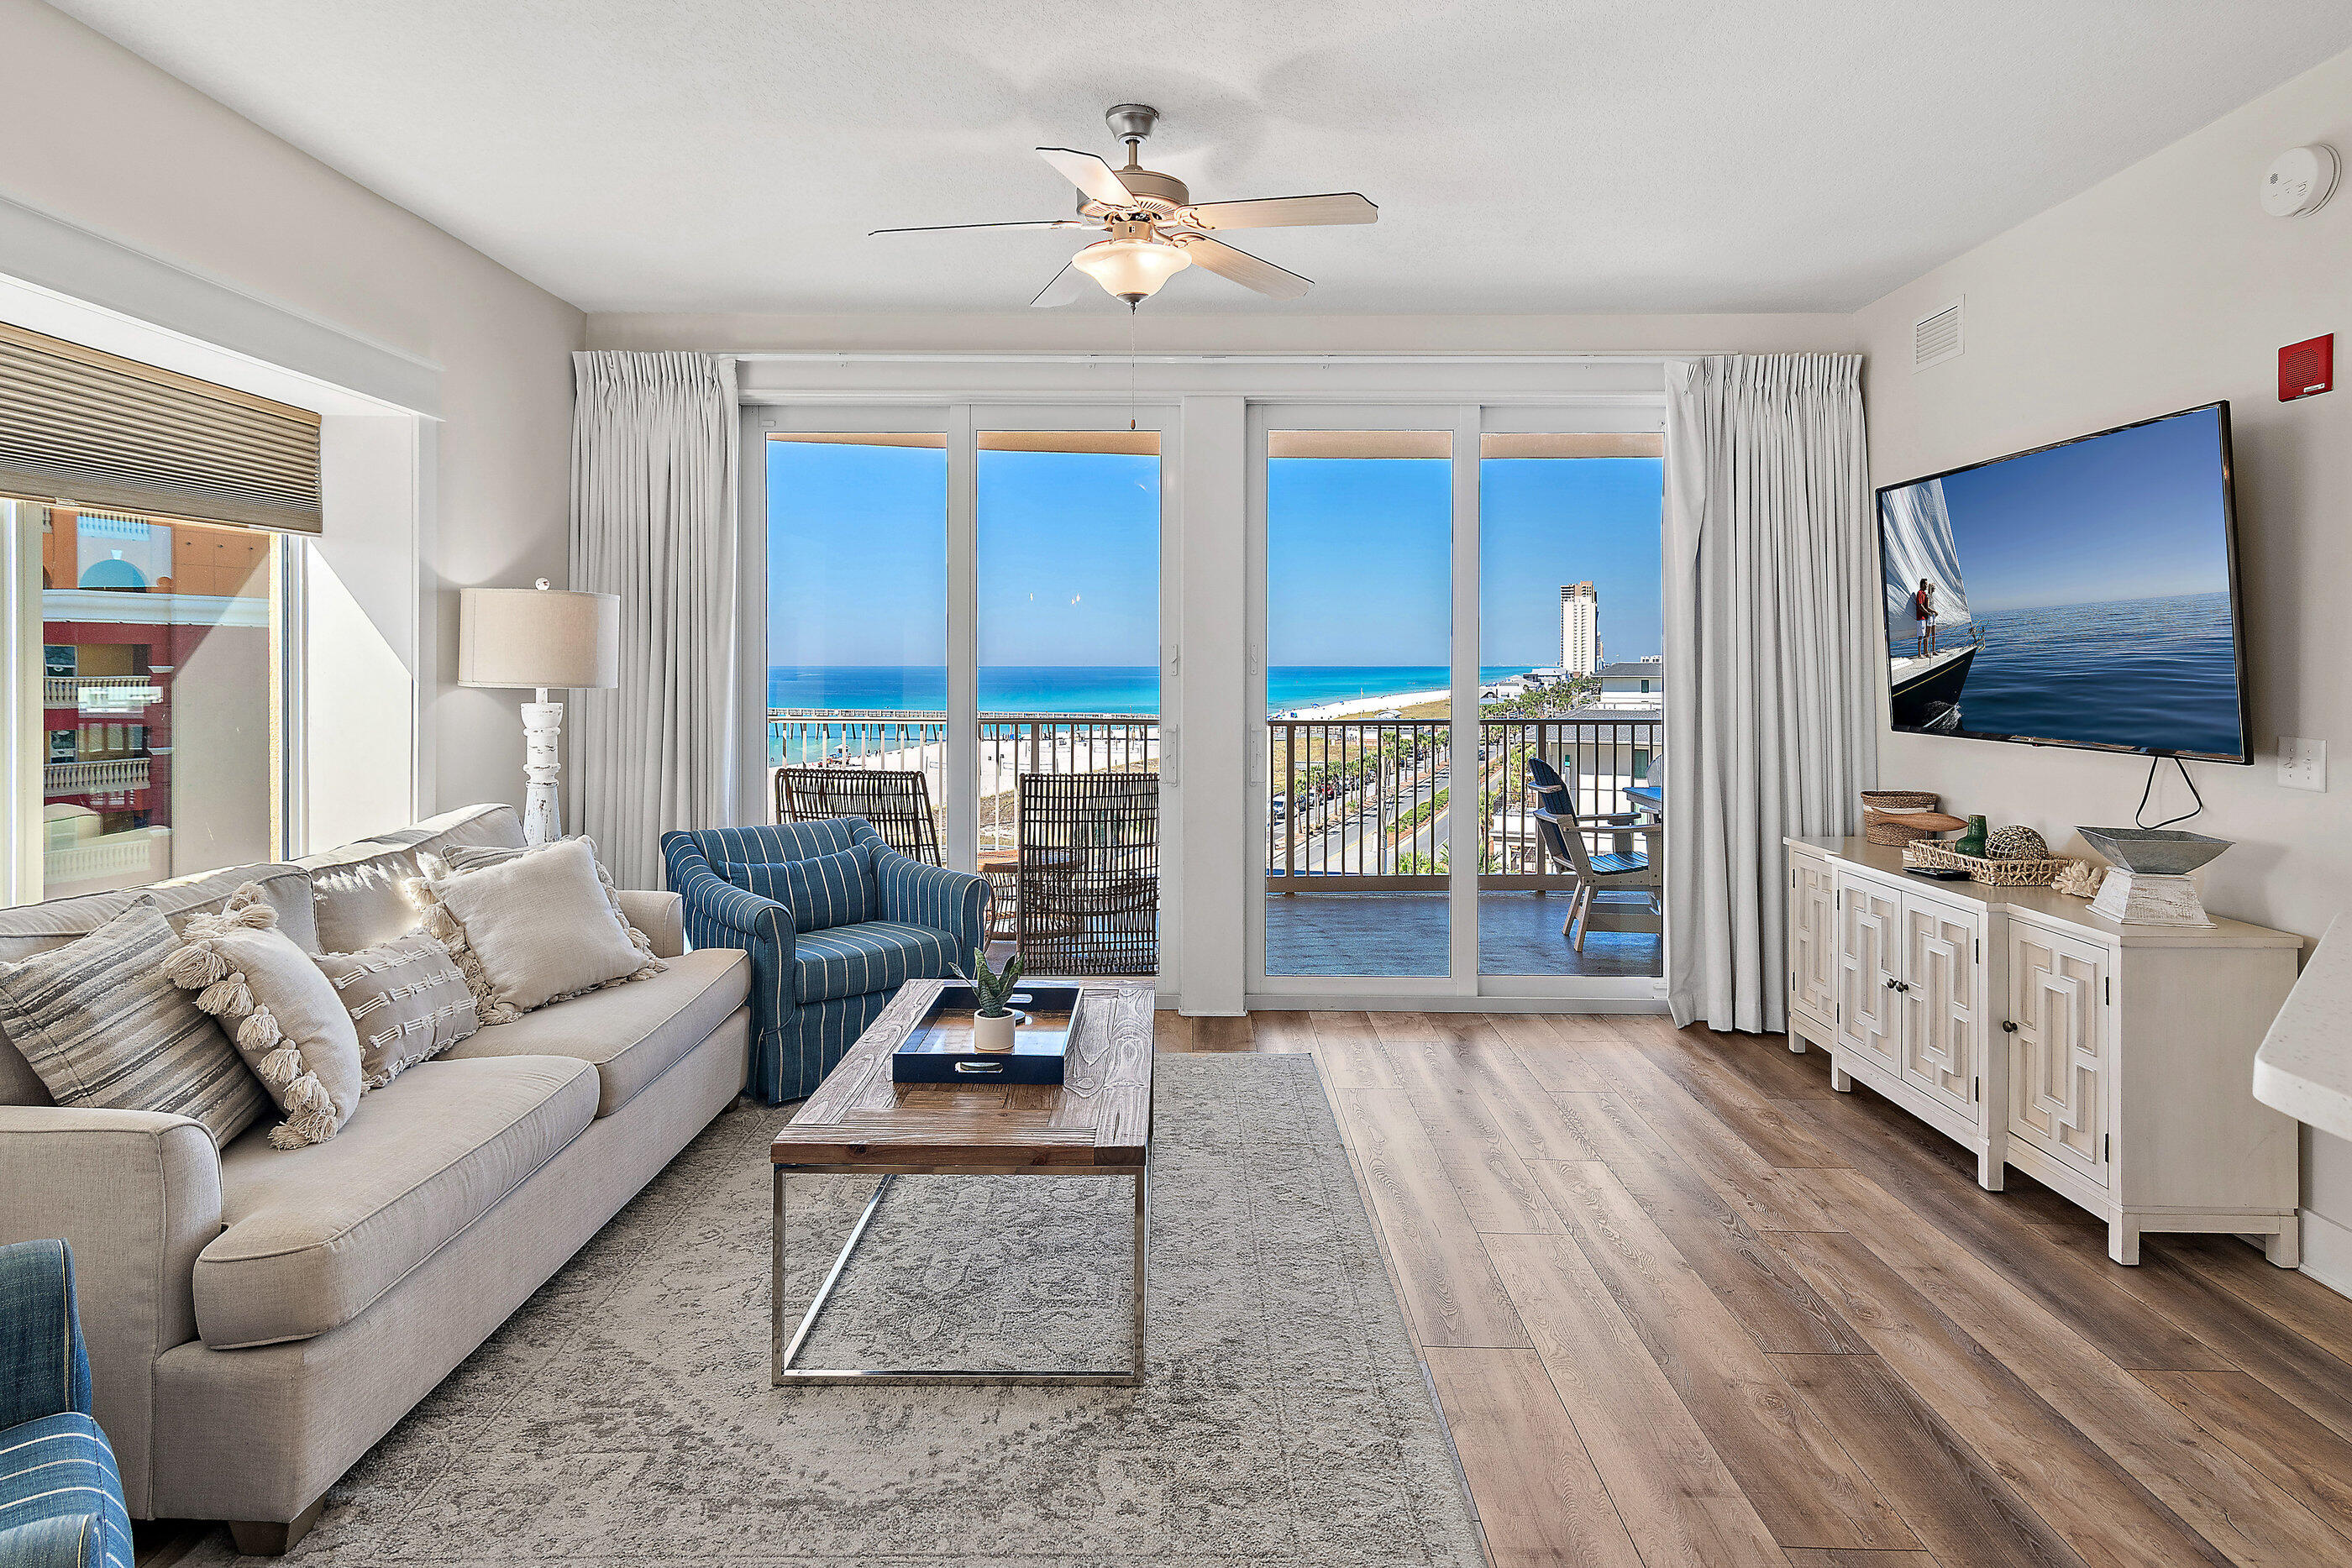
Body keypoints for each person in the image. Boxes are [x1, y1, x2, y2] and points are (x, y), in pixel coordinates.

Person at [1914, 578, 1938, 655]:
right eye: (1926, 584)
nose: (1927, 586)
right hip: (1921, 617)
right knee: (1922, 635)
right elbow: (1921, 605)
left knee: (1925, 635)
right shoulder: (1921, 593)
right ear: (1923, 584)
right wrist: (1929, 612)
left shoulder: (1924, 594)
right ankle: (1921, 653)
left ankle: (1929, 651)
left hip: (1925, 617)